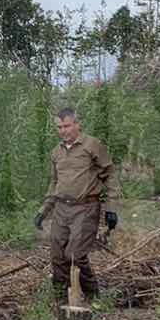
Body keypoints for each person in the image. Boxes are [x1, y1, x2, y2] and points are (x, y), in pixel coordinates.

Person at [34, 108, 116, 302]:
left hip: (86, 207)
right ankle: (61, 300)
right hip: (62, 209)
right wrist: (43, 211)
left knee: (75, 255)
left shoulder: (92, 145)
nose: (63, 131)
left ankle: (92, 297)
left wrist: (112, 209)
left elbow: (110, 176)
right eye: (59, 127)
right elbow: (54, 183)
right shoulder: (56, 152)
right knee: (57, 256)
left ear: (77, 125)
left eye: (67, 126)